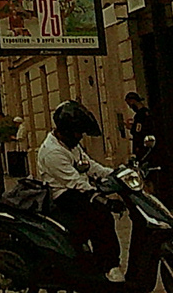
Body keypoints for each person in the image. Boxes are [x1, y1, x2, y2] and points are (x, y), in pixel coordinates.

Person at [36, 99, 122, 282]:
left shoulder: (71, 145)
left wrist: (116, 174)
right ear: (65, 130)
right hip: (63, 196)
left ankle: (100, 263)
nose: (80, 136)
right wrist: (102, 198)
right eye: (77, 132)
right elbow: (74, 181)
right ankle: (109, 266)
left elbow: (89, 165)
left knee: (100, 213)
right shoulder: (53, 152)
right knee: (101, 216)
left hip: (76, 190)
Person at [125, 92, 154, 159]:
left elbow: (139, 131)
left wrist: (131, 128)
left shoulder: (140, 115)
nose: (130, 107)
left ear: (133, 101)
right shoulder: (146, 112)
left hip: (142, 146)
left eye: (129, 104)